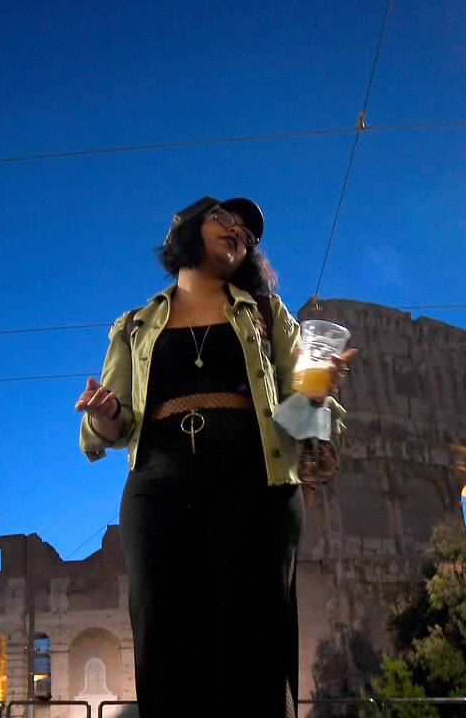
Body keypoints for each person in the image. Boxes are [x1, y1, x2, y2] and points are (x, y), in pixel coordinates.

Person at [75, 196, 354, 718]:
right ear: (186, 229)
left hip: (256, 489)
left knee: (253, 650)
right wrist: (104, 413)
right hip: (157, 492)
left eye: (249, 235)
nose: (240, 233)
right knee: (163, 642)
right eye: (225, 218)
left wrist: (316, 392)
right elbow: (108, 431)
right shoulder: (135, 326)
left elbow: (302, 424)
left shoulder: (269, 316)